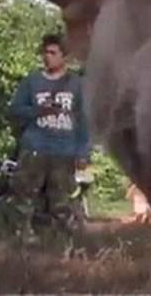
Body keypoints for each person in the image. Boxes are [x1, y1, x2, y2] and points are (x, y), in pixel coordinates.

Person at [8, 33, 89, 244]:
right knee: (25, 196)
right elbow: (15, 109)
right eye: (45, 52)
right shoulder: (31, 81)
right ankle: (23, 240)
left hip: (64, 150)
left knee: (62, 202)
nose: (47, 57)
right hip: (35, 146)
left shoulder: (76, 84)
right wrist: (38, 111)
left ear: (64, 56)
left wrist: (83, 152)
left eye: (52, 53)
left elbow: (84, 120)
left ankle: (65, 244)